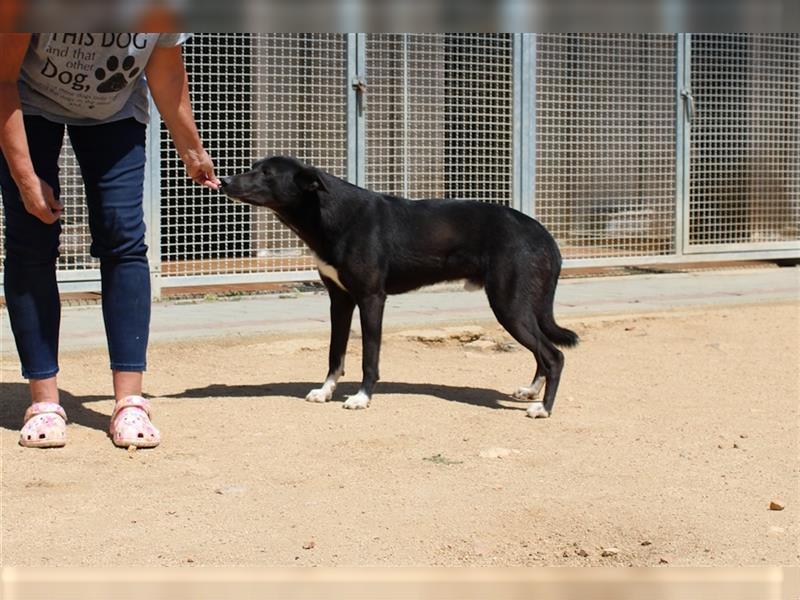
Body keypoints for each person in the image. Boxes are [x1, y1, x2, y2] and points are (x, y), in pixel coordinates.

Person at [0, 33, 219, 449]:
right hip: (27, 102)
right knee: (31, 238)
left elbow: (167, 74)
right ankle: (44, 402)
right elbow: (2, 78)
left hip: (114, 108)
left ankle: (130, 401)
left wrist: (191, 149)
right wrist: (26, 180)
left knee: (124, 238)